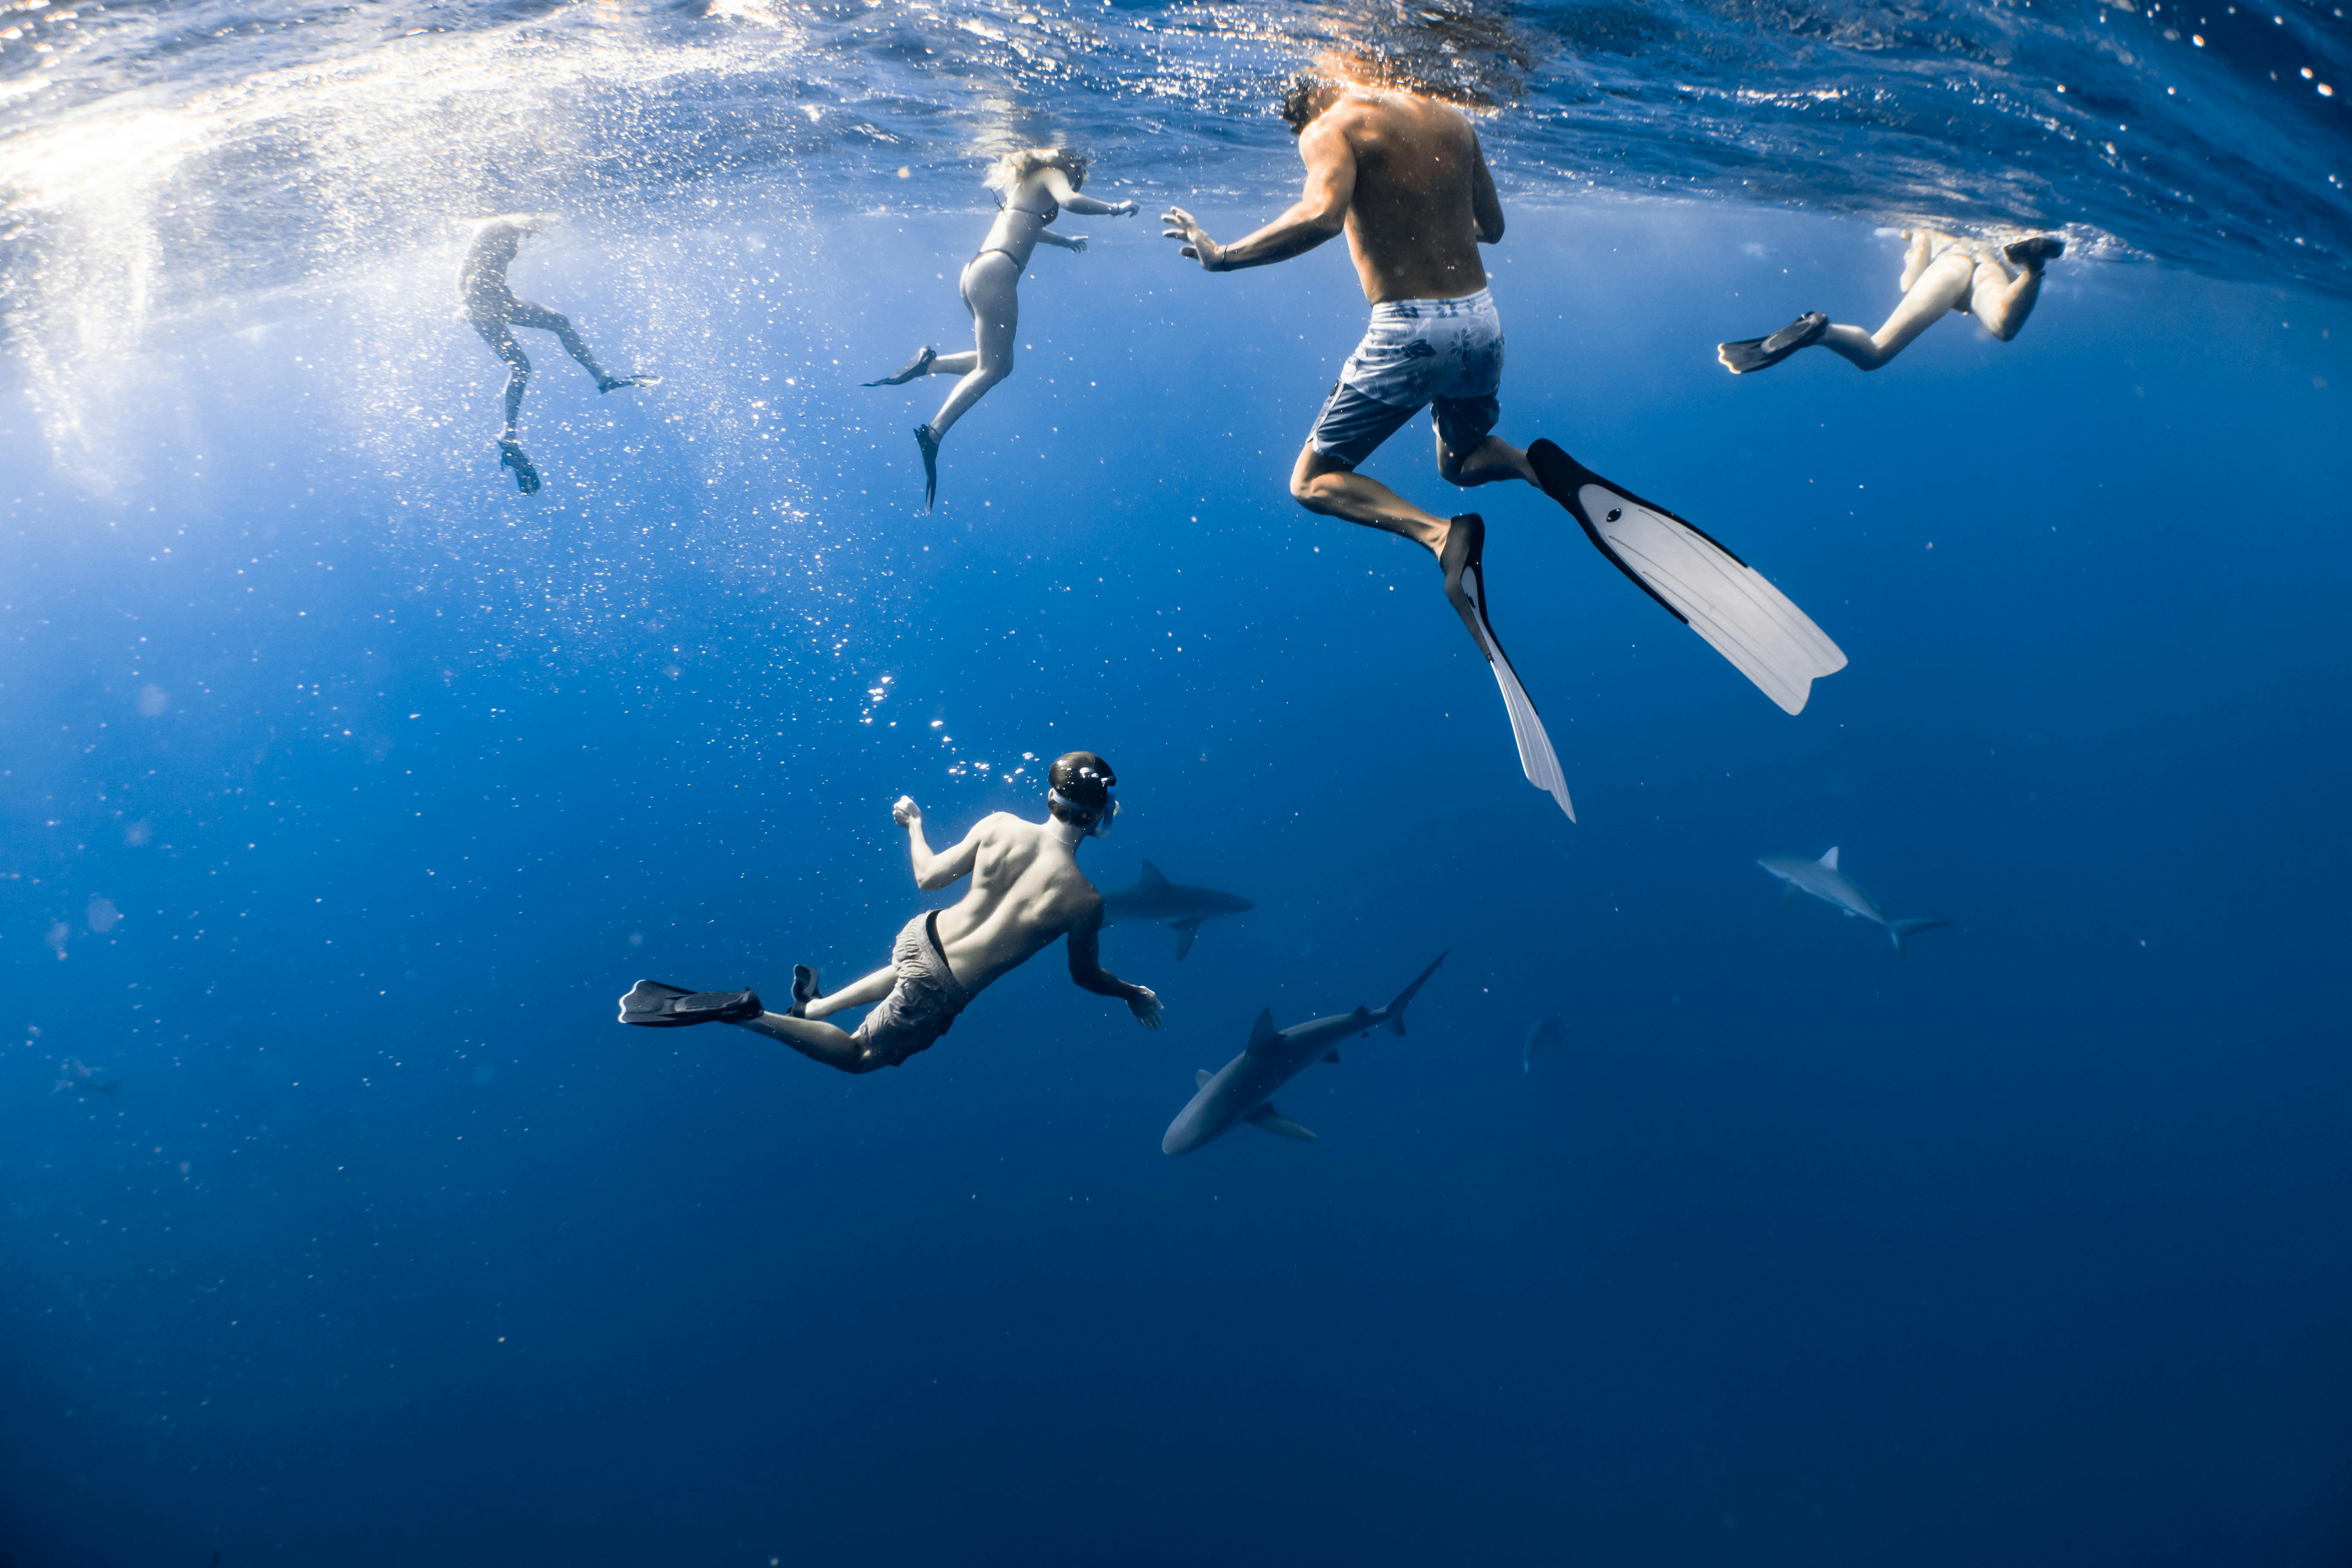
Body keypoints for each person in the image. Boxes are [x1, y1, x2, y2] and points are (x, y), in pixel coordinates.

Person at [618, 753, 1163, 1073]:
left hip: (922, 936)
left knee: (909, 970)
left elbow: (929, 879)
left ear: (1049, 796)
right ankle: (745, 1013)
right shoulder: (1084, 900)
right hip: (943, 984)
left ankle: (814, 1008)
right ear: (1097, 819)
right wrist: (1131, 992)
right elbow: (1084, 976)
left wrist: (916, 826)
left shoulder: (1000, 825)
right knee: (860, 1056)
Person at [862, 149, 1141, 509]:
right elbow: (1070, 202)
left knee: (1000, 364)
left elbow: (1029, 229)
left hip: (978, 271)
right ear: (1068, 162)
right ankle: (933, 434)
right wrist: (1116, 208)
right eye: (1080, 171)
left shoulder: (1027, 184)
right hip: (997, 274)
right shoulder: (1051, 172)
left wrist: (1067, 242)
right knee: (991, 369)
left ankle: (928, 364)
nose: (1077, 178)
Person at [460, 216, 657, 494]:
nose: (545, 228)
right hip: (490, 303)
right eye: (541, 222)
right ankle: (602, 380)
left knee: (522, 366)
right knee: (556, 328)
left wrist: (465, 303)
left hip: (487, 304)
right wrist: (469, 302)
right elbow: (469, 267)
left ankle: (510, 437)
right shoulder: (498, 227)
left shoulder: (506, 231)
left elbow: (466, 271)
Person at [1717, 228, 2065, 375]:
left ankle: (1821, 331)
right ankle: (2032, 267)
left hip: (1951, 265)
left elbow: (1909, 281)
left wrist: (1915, 258)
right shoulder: (1985, 257)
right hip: (1986, 269)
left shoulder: (1925, 231)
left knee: (1876, 351)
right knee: (2003, 325)